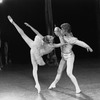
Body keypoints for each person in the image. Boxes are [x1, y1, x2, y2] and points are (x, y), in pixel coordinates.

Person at [7, 15, 66, 93]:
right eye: (50, 36)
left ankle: (37, 84)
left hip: (34, 50)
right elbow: (62, 43)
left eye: (50, 36)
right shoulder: (51, 44)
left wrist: (29, 26)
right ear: (49, 40)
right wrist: (61, 35)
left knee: (24, 36)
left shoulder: (48, 42)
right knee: (24, 36)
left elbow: (37, 32)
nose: (51, 36)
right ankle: (37, 84)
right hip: (35, 52)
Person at [48, 23, 93, 94]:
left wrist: (87, 46)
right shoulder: (62, 34)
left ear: (65, 30)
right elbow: (57, 30)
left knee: (69, 73)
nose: (60, 30)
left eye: (62, 29)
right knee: (59, 71)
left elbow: (80, 42)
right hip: (63, 56)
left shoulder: (71, 39)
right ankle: (54, 84)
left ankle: (78, 88)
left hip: (69, 56)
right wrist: (56, 29)